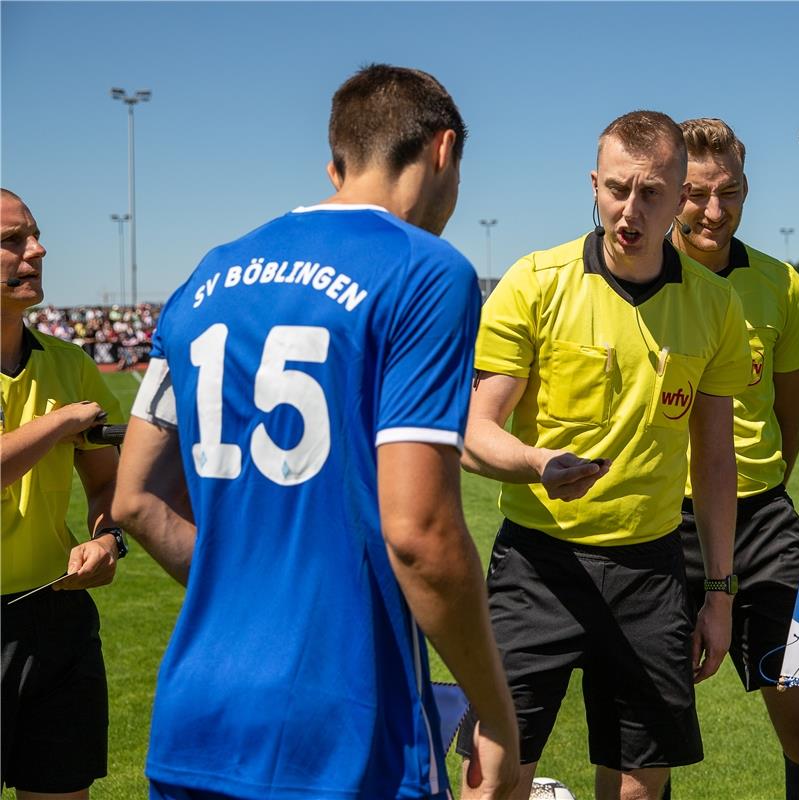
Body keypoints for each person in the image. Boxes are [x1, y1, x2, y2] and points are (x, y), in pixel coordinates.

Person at [111, 65, 518, 800]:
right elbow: (419, 534)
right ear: (445, 150)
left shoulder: (204, 280)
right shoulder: (427, 273)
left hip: (194, 717)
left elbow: (135, 499)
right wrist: (495, 712)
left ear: (341, 155)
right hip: (341, 729)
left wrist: (249, 592)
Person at [456, 110, 748, 800]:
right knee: (490, 777)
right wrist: (536, 464)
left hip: (650, 570)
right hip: (537, 564)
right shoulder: (534, 282)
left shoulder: (714, 306)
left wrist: (719, 593)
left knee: (638, 790)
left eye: (651, 194)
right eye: (617, 189)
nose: (630, 210)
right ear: (594, 184)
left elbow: (713, 462)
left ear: (681, 196)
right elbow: (474, 433)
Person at [668, 118, 799, 799]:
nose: (715, 210)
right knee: (649, 741)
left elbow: (787, 420)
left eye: (731, 191)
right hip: (657, 522)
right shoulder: (639, 276)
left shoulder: (782, 284)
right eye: (695, 193)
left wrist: (769, 506)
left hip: (761, 522)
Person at [1, 188, 127, 798]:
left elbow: (107, 484)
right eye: (12, 241)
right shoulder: (70, 401)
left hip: (56, 619)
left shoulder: (71, 364)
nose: (38, 249)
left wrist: (109, 540)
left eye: (35, 234)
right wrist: (58, 422)